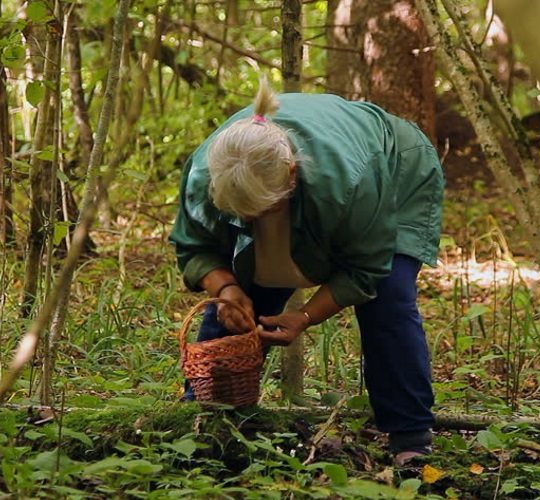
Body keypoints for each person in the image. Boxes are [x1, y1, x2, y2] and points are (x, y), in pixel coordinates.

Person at [169, 79, 445, 465]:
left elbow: (366, 269)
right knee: (242, 309)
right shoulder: (207, 170)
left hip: (398, 171)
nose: (249, 220)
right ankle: (206, 420)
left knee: (388, 301)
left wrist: (305, 316)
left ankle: (410, 438)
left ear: (292, 175)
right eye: (240, 214)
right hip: (299, 189)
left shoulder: (349, 182)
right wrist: (227, 288)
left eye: (259, 212)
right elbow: (193, 244)